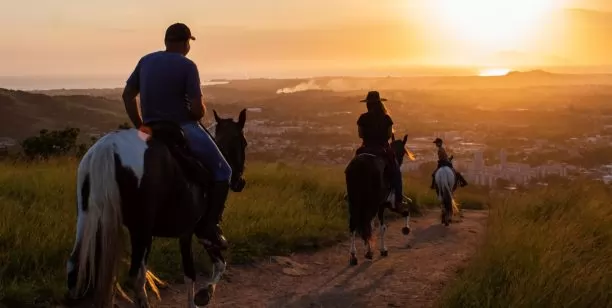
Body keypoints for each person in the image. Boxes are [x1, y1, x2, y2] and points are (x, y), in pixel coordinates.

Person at [121, 23, 231, 249]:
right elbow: (197, 111)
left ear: (166, 41)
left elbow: (127, 95)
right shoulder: (188, 65)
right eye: (189, 42)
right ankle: (209, 227)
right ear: (185, 43)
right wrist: (196, 108)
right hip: (183, 128)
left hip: (151, 129)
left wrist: (141, 126)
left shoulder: (145, 61)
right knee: (224, 171)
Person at [355, 91, 405, 208]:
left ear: (368, 104)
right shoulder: (386, 118)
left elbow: (360, 135)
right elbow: (388, 135)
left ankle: (349, 193)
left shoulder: (363, 118)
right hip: (382, 149)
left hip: (366, 148)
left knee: (354, 164)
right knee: (396, 170)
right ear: (379, 103)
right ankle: (398, 199)